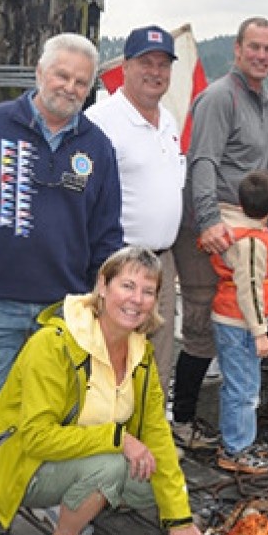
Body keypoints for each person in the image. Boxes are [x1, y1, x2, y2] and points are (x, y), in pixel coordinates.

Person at [0, 32, 124, 535]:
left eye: (81, 81)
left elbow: (106, 233)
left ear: (90, 90)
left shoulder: (97, 148)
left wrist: (102, 302)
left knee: (58, 416)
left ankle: (50, 507)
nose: (69, 86)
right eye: (61, 75)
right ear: (40, 74)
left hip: (64, 311)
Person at [0, 247, 200, 535]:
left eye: (148, 291)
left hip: (70, 457)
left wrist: (179, 518)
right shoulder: (52, 345)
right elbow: (36, 438)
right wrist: (118, 439)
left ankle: (65, 503)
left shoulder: (140, 354)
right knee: (113, 465)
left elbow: (157, 434)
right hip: (22, 465)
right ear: (102, 285)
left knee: (150, 483)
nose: (137, 300)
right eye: (127, 286)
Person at [171, 17, 268, 449]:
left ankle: (230, 415)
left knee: (240, 315)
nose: (261, 56)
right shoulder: (218, 96)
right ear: (237, 50)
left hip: (248, 225)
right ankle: (181, 420)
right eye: (254, 47)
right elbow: (202, 162)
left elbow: (261, 167)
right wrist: (209, 219)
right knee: (200, 320)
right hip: (210, 224)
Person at [86, 25, 186, 396]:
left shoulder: (169, 121)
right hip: (119, 261)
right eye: (146, 62)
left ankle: (152, 440)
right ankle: (110, 443)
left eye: (163, 64)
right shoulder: (100, 121)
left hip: (163, 261)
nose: (156, 72)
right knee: (112, 361)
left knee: (157, 362)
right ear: (125, 66)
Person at [209, 172, 268, 474]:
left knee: (242, 386)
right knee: (244, 390)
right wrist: (260, 333)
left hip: (236, 323)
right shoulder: (251, 244)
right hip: (240, 325)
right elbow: (249, 289)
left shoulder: (243, 232)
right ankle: (235, 449)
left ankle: (239, 438)